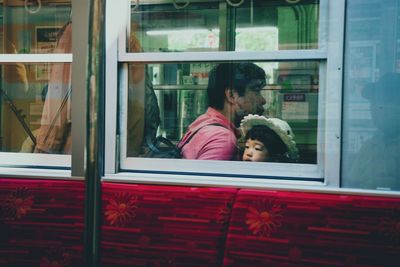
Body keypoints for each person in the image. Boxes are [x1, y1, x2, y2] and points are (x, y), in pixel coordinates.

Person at [178, 63, 267, 160]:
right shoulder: (222, 139)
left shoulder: (203, 121)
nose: (263, 100)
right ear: (232, 95)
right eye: (257, 90)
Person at [344, 72, 400, 190]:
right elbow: (352, 183)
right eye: (373, 102)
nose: (375, 109)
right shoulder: (370, 146)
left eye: (383, 102)